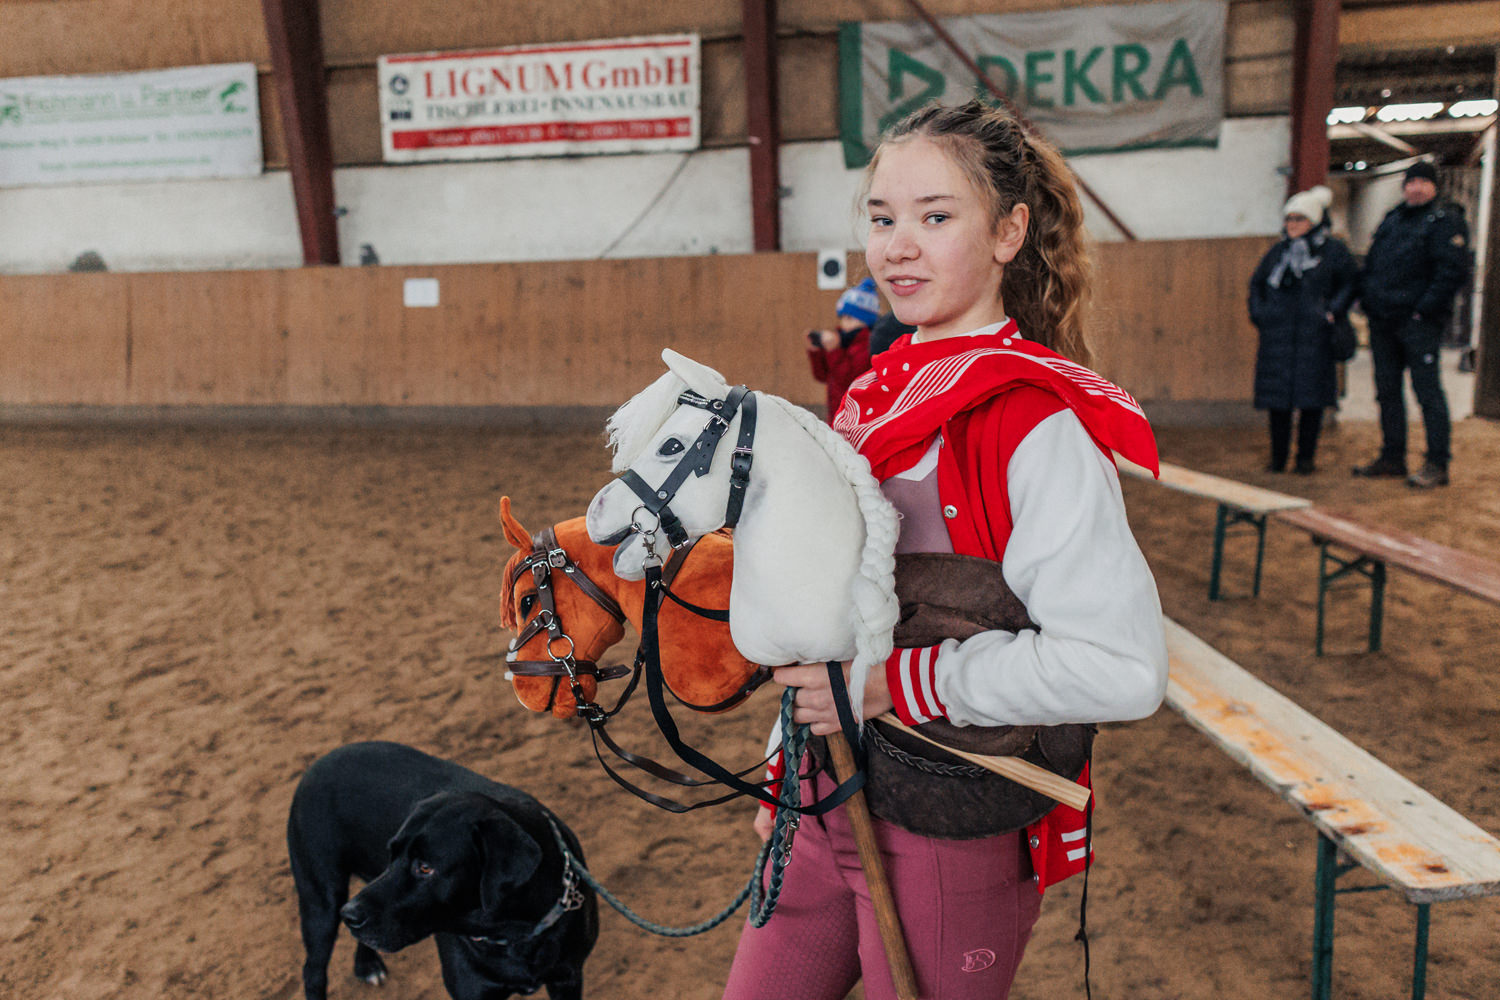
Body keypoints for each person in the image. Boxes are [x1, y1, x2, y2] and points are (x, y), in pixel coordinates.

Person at [723, 100, 1167, 1000]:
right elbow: (833, 618)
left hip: (947, 823)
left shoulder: (1038, 428)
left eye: (936, 217)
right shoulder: (864, 403)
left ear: (1009, 232)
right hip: (824, 797)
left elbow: (1124, 669)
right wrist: (785, 757)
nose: (898, 247)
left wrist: (904, 684)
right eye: (883, 219)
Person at [1352, 160, 1472, 488]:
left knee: (1427, 393)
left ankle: (1437, 462)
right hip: (1383, 322)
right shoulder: (1392, 220)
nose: (1416, 188)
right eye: (1411, 182)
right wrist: (1366, 299)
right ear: (1404, 186)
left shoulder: (1445, 221)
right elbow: (1373, 264)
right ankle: (1392, 456)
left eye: (1423, 182)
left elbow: (1452, 272)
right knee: (1387, 392)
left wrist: (1423, 311)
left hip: (1418, 324)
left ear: (1433, 187)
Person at [1246, 185, 1358, 474]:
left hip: (1315, 338)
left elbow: (1350, 283)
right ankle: (1278, 458)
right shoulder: (1277, 253)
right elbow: (1257, 285)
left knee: (1312, 403)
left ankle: (1306, 459)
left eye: (1300, 219)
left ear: (1315, 220)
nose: (1293, 224)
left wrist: (1332, 311)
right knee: (1278, 404)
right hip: (1278, 339)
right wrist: (1261, 314)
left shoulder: (1333, 251)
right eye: (1289, 219)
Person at [804, 277, 879, 423]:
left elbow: (847, 379)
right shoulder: (842, 340)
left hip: (858, 419)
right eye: (842, 317)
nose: (844, 323)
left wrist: (833, 350)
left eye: (850, 318)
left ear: (866, 319)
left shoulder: (868, 344)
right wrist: (816, 352)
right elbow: (822, 376)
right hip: (837, 416)